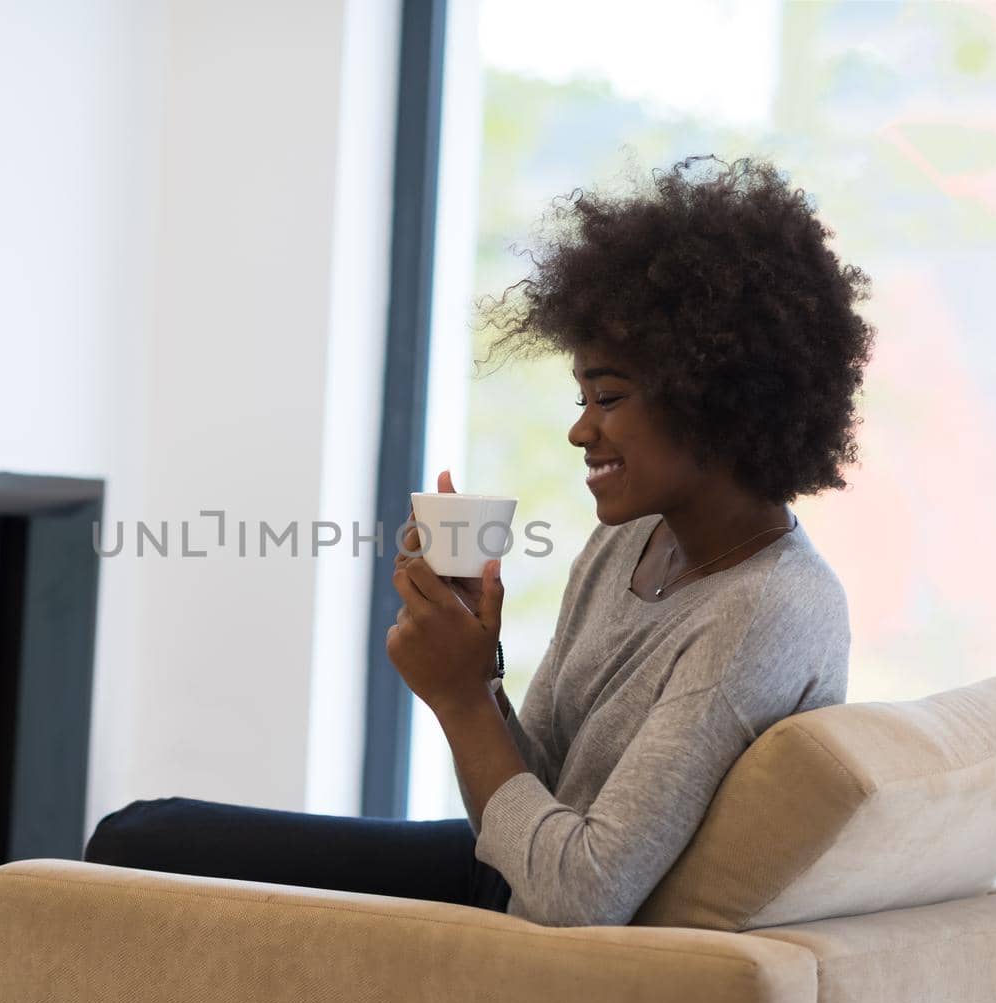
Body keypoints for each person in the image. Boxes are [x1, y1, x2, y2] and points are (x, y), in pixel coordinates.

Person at [83, 155, 871, 927]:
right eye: (581, 396)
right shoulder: (629, 545)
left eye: (608, 396)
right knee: (140, 835)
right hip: (507, 871)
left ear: (718, 396)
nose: (580, 429)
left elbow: (580, 894)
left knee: (136, 843)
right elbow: (543, 794)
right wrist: (476, 671)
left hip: (532, 909)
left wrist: (459, 699)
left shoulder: (766, 610)